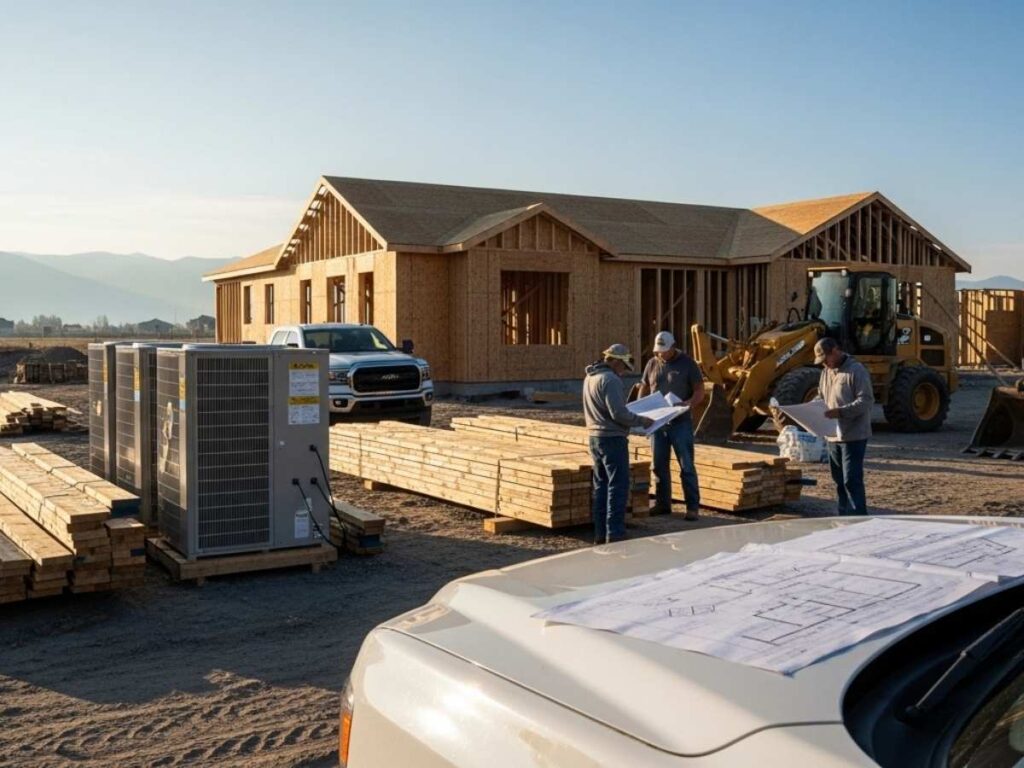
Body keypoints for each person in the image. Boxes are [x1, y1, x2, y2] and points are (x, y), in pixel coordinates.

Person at [583, 344, 653, 544]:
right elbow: (618, 414)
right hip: (613, 439)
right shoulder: (610, 379)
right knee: (617, 486)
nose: (623, 371)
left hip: (595, 438)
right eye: (623, 366)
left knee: (601, 486)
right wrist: (642, 420)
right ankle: (614, 533)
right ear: (614, 361)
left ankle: (600, 533)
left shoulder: (590, 377)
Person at [637, 331, 705, 520]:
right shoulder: (652, 363)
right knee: (659, 465)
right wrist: (639, 408)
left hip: (680, 422)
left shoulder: (688, 364)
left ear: (673, 347)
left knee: (687, 465)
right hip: (658, 423)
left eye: (664, 351)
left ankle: (692, 507)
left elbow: (700, 390)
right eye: (658, 352)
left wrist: (690, 403)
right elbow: (644, 387)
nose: (661, 355)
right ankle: (662, 504)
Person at [816, 337, 874, 515]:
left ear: (835, 350)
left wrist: (840, 412)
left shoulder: (856, 370)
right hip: (833, 435)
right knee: (839, 480)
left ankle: (859, 517)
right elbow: (820, 396)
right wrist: (812, 407)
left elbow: (866, 401)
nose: (824, 364)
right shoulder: (826, 372)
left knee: (851, 479)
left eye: (826, 359)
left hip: (853, 435)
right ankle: (844, 515)